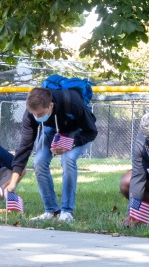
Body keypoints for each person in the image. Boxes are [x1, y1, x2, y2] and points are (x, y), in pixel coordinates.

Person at [8, 87, 97, 222]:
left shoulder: (72, 102)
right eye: (34, 114)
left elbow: (91, 131)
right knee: (39, 161)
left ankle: (67, 212)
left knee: (68, 159)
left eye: (41, 113)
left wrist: (69, 144)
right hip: (53, 130)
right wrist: (13, 182)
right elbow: (24, 147)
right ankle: (52, 211)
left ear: (51, 105)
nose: (37, 117)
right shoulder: (30, 114)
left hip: (78, 131)